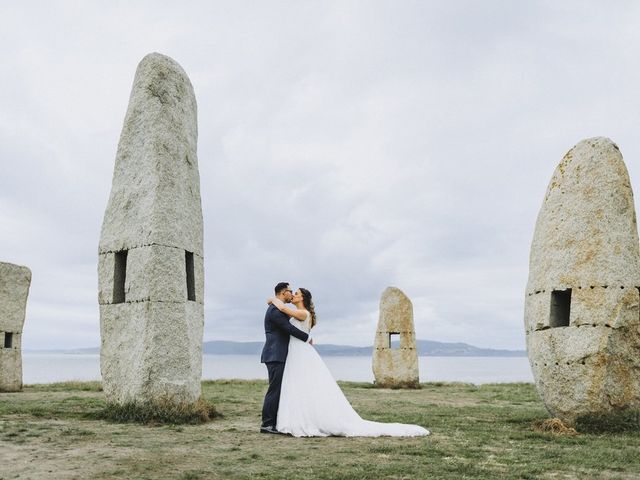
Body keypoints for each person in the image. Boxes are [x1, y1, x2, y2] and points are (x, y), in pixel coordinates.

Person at [268, 288, 430, 437]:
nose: (293, 295)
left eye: (296, 293)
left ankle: (306, 420)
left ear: (303, 297)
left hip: (301, 353)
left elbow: (282, 309)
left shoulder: (303, 313)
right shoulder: (298, 312)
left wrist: (273, 300)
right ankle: (296, 418)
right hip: (296, 353)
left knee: (305, 385)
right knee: (298, 385)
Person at [260, 282, 312, 434]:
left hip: (278, 354)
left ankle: (274, 422)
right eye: (290, 291)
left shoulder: (278, 308)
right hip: (275, 354)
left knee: (278, 389)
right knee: (274, 390)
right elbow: (288, 328)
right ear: (283, 293)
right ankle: (267, 424)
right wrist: (307, 338)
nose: (292, 293)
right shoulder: (275, 311)